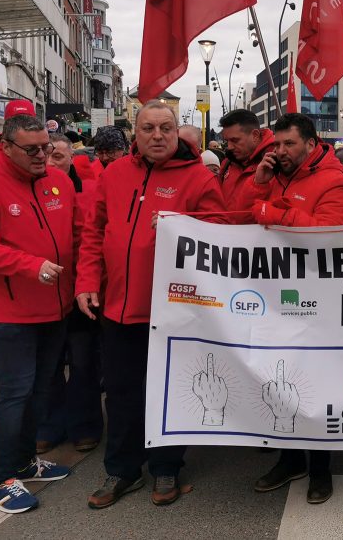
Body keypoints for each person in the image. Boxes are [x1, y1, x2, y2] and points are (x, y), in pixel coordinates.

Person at [76, 101, 227, 509]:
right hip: (118, 308)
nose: (157, 135)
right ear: (135, 135)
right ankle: (123, 470)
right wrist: (87, 280)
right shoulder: (113, 174)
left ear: (178, 132)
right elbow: (94, 231)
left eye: (165, 127)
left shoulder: (197, 178)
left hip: (172, 312)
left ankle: (166, 467)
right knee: (122, 393)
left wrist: (184, 227)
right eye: (148, 128)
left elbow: (219, 234)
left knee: (170, 393)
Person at [0, 115, 81, 514]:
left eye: (46, 147)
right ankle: (1, 480)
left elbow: (77, 235)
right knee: (15, 392)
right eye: (32, 150)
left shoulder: (59, 181)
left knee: (41, 389)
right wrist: (31, 266)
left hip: (55, 307)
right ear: (6, 147)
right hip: (9, 312)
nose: (43, 155)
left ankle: (26, 461)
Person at [248, 113, 343, 504]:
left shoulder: (336, 181)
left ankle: (321, 469)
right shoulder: (276, 175)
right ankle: (291, 458)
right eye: (276, 145)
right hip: (277, 299)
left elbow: (329, 237)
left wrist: (272, 214)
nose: (280, 151)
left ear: (310, 143)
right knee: (281, 378)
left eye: (288, 144)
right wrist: (259, 183)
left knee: (315, 383)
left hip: (318, 302)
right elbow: (243, 215)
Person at [36, 134, 102, 456]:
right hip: (43, 293)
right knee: (48, 367)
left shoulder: (86, 192)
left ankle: (85, 426)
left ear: (71, 160)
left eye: (58, 156)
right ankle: (50, 425)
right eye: (47, 155)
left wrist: (84, 284)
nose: (50, 161)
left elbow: (87, 239)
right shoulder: (33, 188)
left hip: (77, 293)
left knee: (83, 363)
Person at [215, 109, 275, 223]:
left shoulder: (277, 163)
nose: (230, 147)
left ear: (255, 135)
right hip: (225, 238)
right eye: (227, 141)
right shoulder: (227, 164)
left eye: (235, 140)